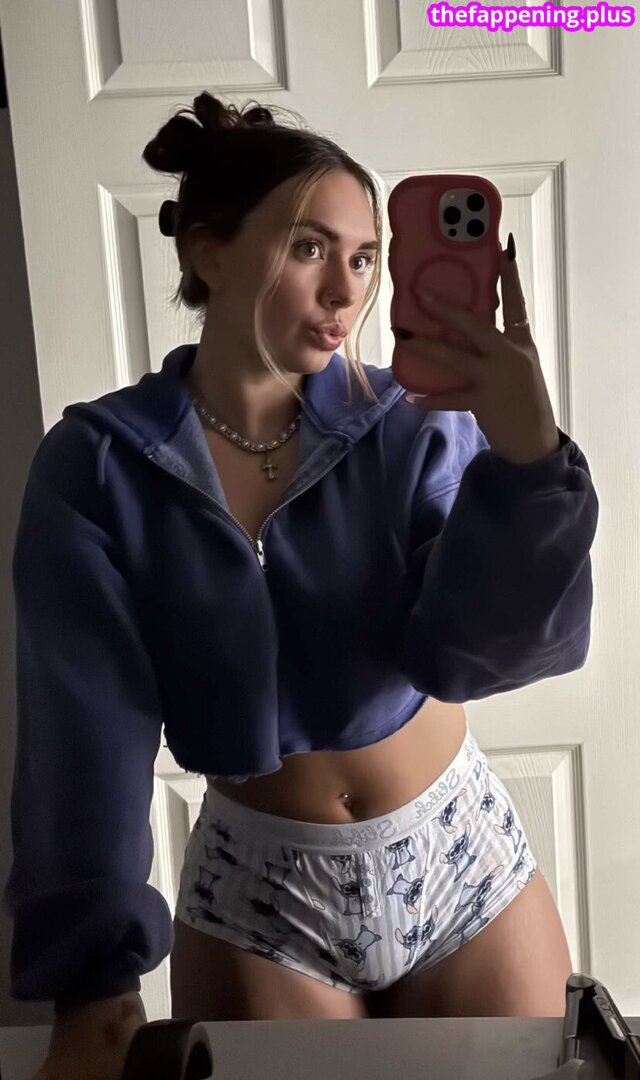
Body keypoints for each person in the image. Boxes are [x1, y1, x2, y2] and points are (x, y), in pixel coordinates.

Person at [4, 92, 598, 1078]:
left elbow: (475, 656)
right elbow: (83, 732)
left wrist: (529, 461)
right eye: (310, 248)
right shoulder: (98, 469)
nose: (345, 291)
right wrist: (94, 986)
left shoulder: (412, 421)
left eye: (364, 258)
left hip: (463, 867)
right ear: (207, 250)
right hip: (262, 898)